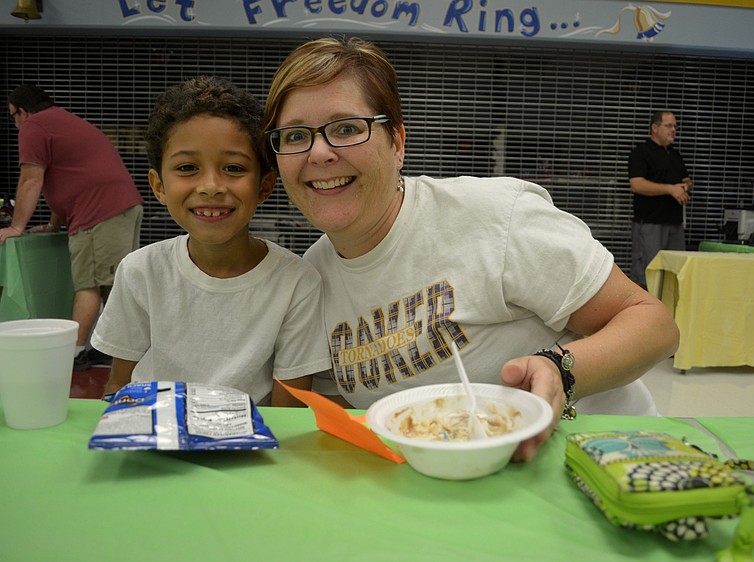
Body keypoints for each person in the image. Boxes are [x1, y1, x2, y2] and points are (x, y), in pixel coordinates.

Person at [261, 37, 679, 459]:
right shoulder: (309, 281)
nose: (319, 152)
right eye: (295, 135)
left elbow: (654, 326)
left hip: (606, 457)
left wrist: (560, 370)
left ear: (397, 143)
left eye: (347, 128)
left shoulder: (493, 217)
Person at [90, 76, 332, 406]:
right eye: (187, 167)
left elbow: (288, 411)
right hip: (153, 438)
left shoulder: (297, 283)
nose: (211, 186)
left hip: (247, 447)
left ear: (264, 186)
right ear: (159, 186)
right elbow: (120, 390)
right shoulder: (140, 271)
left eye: (233, 167)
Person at [3, 84, 145, 371]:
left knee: (89, 284)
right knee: (113, 285)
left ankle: (74, 354)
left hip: (100, 212)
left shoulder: (34, 126)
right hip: (120, 206)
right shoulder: (63, 121)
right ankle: (119, 352)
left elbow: (32, 179)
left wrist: (16, 226)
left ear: (22, 111)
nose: (15, 123)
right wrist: (54, 223)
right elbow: (70, 178)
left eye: (12, 116)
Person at [627, 110, 692, 288]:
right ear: (655, 128)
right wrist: (670, 189)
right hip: (650, 223)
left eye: (675, 126)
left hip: (674, 224)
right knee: (647, 275)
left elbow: (686, 179)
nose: (673, 130)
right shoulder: (641, 153)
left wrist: (685, 187)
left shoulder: (674, 155)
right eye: (669, 125)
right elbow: (637, 185)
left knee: (675, 274)